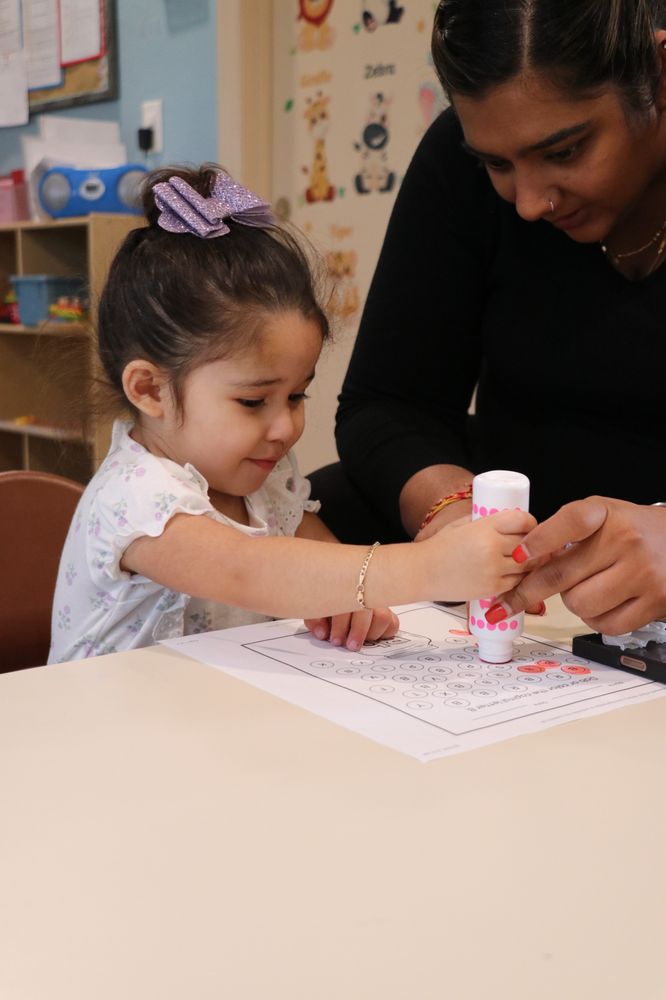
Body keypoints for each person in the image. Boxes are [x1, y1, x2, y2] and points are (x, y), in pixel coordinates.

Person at [48, 164, 535, 663]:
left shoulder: (263, 478)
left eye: (297, 396)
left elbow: (325, 568)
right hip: (105, 731)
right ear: (150, 390)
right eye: (254, 402)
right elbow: (250, 571)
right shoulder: (135, 497)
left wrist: (348, 603)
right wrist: (429, 565)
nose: (285, 428)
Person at [320, 0, 666, 633]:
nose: (529, 203)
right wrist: (456, 513)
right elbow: (387, 404)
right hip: (525, 593)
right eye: (497, 165)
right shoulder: (456, 166)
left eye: (564, 151)